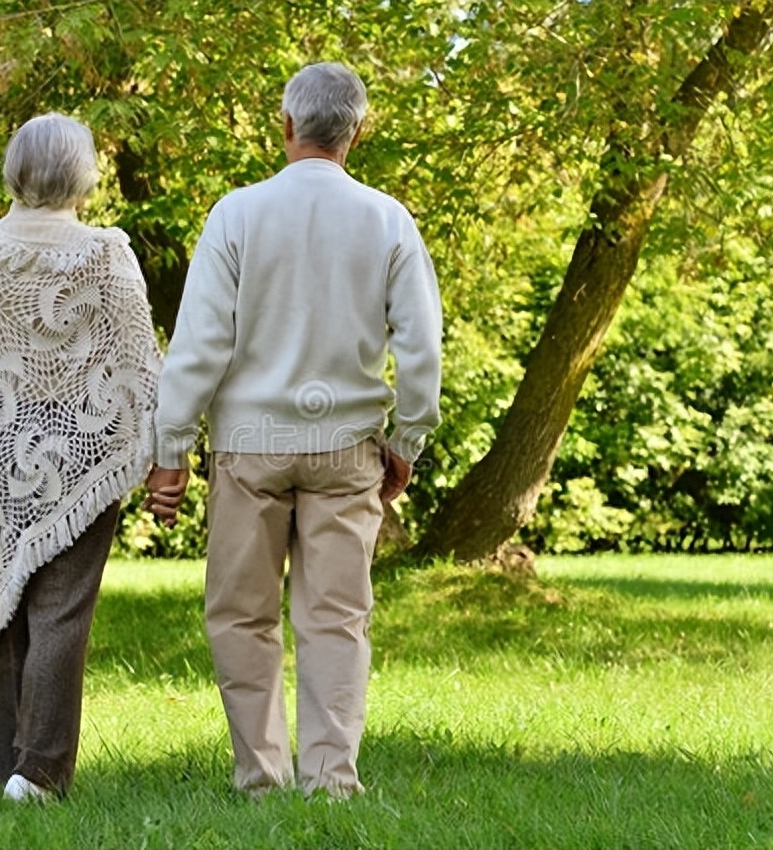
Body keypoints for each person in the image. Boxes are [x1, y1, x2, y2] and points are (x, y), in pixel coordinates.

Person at [145, 62, 442, 799]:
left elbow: (201, 345)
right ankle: (332, 780)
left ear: (285, 125)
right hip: (347, 447)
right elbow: (423, 348)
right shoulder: (388, 219)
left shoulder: (236, 215)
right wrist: (407, 443)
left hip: (251, 446)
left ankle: (261, 776)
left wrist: (170, 450)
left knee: (242, 616)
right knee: (337, 618)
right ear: (357, 132)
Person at [0, 113, 161, 802]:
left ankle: (13, 765)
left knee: (3, 599)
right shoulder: (105, 255)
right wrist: (163, 449)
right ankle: (38, 772)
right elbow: (139, 365)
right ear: (82, 176)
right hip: (82, 444)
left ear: (15, 170)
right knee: (60, 611)